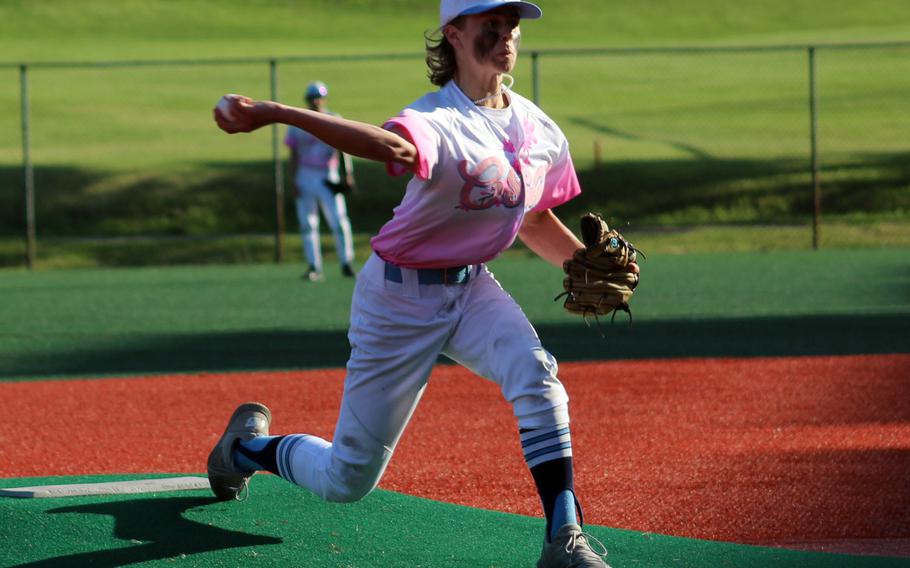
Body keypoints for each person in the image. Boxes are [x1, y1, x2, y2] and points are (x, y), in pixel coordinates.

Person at [209, 1, 639, 566]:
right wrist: (279, 113)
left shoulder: (538, 127)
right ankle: (243, 449)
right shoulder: (438, 118)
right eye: (491, 22)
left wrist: (579, 262)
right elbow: (391, 147)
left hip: (473, 288)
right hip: (398, 298)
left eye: (512, 22)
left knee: (537, 377)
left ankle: (565, 539)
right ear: (454, 35)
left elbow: (533, 219)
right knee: (346, 479)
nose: (507, 32)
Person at [285, 80, 357, 281]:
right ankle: (314, 266)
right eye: (312, 97)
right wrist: (292, 180)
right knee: (308, 223)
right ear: (307, 100)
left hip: (328, 175)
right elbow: (293, 154)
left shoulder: (333, 119)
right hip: (305, 174)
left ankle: (346, 262)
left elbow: (344, 150)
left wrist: (348, 174)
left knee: (339, 221)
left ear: (324, 99)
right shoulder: (297, 122)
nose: (316, 101)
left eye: (319, 97)